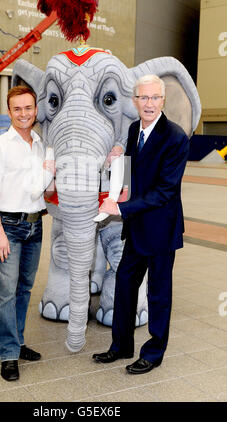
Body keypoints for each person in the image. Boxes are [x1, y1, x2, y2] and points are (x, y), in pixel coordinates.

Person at [92, 74, 190, 374]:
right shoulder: (135, 129)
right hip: (136, 228)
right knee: (124, 284)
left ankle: (154, 352)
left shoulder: (175, 137)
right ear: (135, 100)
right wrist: (120, 177)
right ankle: (121, 346)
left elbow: (166, 190)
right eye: (143, 98)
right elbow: (134, 174)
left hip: (161, 229)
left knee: (158, 294)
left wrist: (120, 207)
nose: (149, 103)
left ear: (163, 100)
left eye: (154, 98)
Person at [0, 85, 48, 382]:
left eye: (28, 108)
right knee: (5, 292)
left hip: (35, 225)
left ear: (35, 110)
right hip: (7, 225)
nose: (23, 113)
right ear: (9, 112)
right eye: (17, 109)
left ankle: (18, 342)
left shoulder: (40, 144)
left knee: (24, 288)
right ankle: (8, 353)